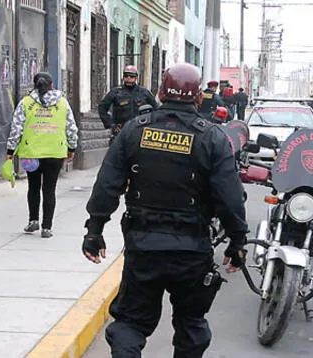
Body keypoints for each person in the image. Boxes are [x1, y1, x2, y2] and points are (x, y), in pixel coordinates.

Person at [82, 63, 248, 357]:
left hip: (144, 245)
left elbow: (107, 184)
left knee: (130, 324)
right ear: (198, 97)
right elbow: (230, 197)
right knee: (191, 324)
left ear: (159, 92)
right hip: (192, 249)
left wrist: (94, 230)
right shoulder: (212, 137)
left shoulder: (135, 129)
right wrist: (237, 241)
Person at [6, 72, 79, 238]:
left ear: (35, 84)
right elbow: (71, 128)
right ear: (52, 85)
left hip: (31, 153)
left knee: (33, 186)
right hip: (55, 152)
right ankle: (47, 227)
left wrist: (10, 151)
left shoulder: (26, 103)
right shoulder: (62, 103)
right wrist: (72, 147)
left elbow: (16, 128)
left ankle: (33, 221)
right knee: (49, 189)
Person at [98, 65, 159, 144]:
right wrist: (111, 124)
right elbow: (102, 108)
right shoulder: (116, 92)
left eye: (131, 76)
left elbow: (157, 109)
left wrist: (151, 126)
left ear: (136, 78)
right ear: (123, 77)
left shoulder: (144, 93)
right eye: (126, 75)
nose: (129, 78)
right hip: (121, 132)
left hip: (139, 132)